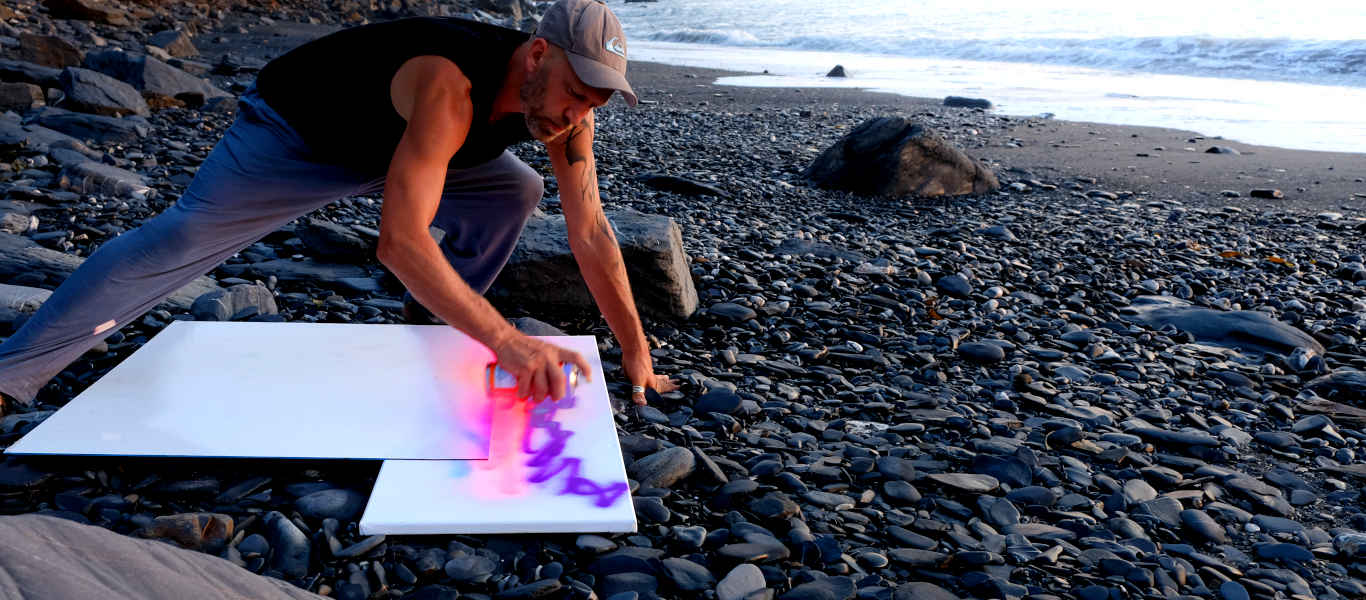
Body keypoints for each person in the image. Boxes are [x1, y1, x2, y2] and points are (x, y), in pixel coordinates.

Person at [0, 0, 677, 414]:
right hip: (297, 134)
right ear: (536, 57)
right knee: (180, 241)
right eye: (576, 90)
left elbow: (588, 229)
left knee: (517, 192)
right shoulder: (450, 82)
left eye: (596, 98)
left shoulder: (567, 115)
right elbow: (400, 242)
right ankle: (14, 373)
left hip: (409, 152)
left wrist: (635, 349)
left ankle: (434, 320)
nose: (580, 111)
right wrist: (508, 340)